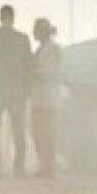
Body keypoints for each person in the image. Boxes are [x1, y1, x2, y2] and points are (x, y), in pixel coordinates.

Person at [0, 4, 34, 176]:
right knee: (18, 129)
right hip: (16, 90)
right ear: (13, 17)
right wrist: (27, 89)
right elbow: (29, 65)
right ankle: (18, 167)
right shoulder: (22, 39)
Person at [29, 17, 64, 178]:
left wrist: (32, 73)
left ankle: (48, 166)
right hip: (40, 97)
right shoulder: (42, 48)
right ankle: (44, 164)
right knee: (38, 132)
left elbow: (52, 72)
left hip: (48, 97)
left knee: (48, 133)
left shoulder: (53, 49)